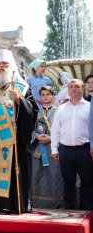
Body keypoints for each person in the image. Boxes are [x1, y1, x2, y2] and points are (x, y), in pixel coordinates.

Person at [0, 49, 38, 214]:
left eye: (5, 64)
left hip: (13, 140)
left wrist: (19, 100)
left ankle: (14, 204)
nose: (2, 66)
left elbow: (33, 111)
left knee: (12, 170)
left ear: (11, 66)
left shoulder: (22, 87)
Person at [51, 79, 93, 210]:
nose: (74, 89)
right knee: (68, 183)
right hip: (65, 151)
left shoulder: (90, 107)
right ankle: (69, 211)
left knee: (87, 183)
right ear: (67, 90)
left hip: (85, 150)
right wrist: (54, 148)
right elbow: (55, 129)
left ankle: (87, 212)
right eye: (71, 87)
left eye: (77, 87)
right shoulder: (61, 109)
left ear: (83, 89)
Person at [30, 86, 63, 208]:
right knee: (37, 175)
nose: (45, 96)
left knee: (55, 176)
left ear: (53, 96)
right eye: (43, 94)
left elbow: (64, 129)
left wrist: (51, 139)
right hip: (37, 149)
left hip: (54, 149)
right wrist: (36, 136)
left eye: (48, 94)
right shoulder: (34, 112)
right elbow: (28, 129)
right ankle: (37, 204)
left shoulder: (60, 111)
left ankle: (57, 204)